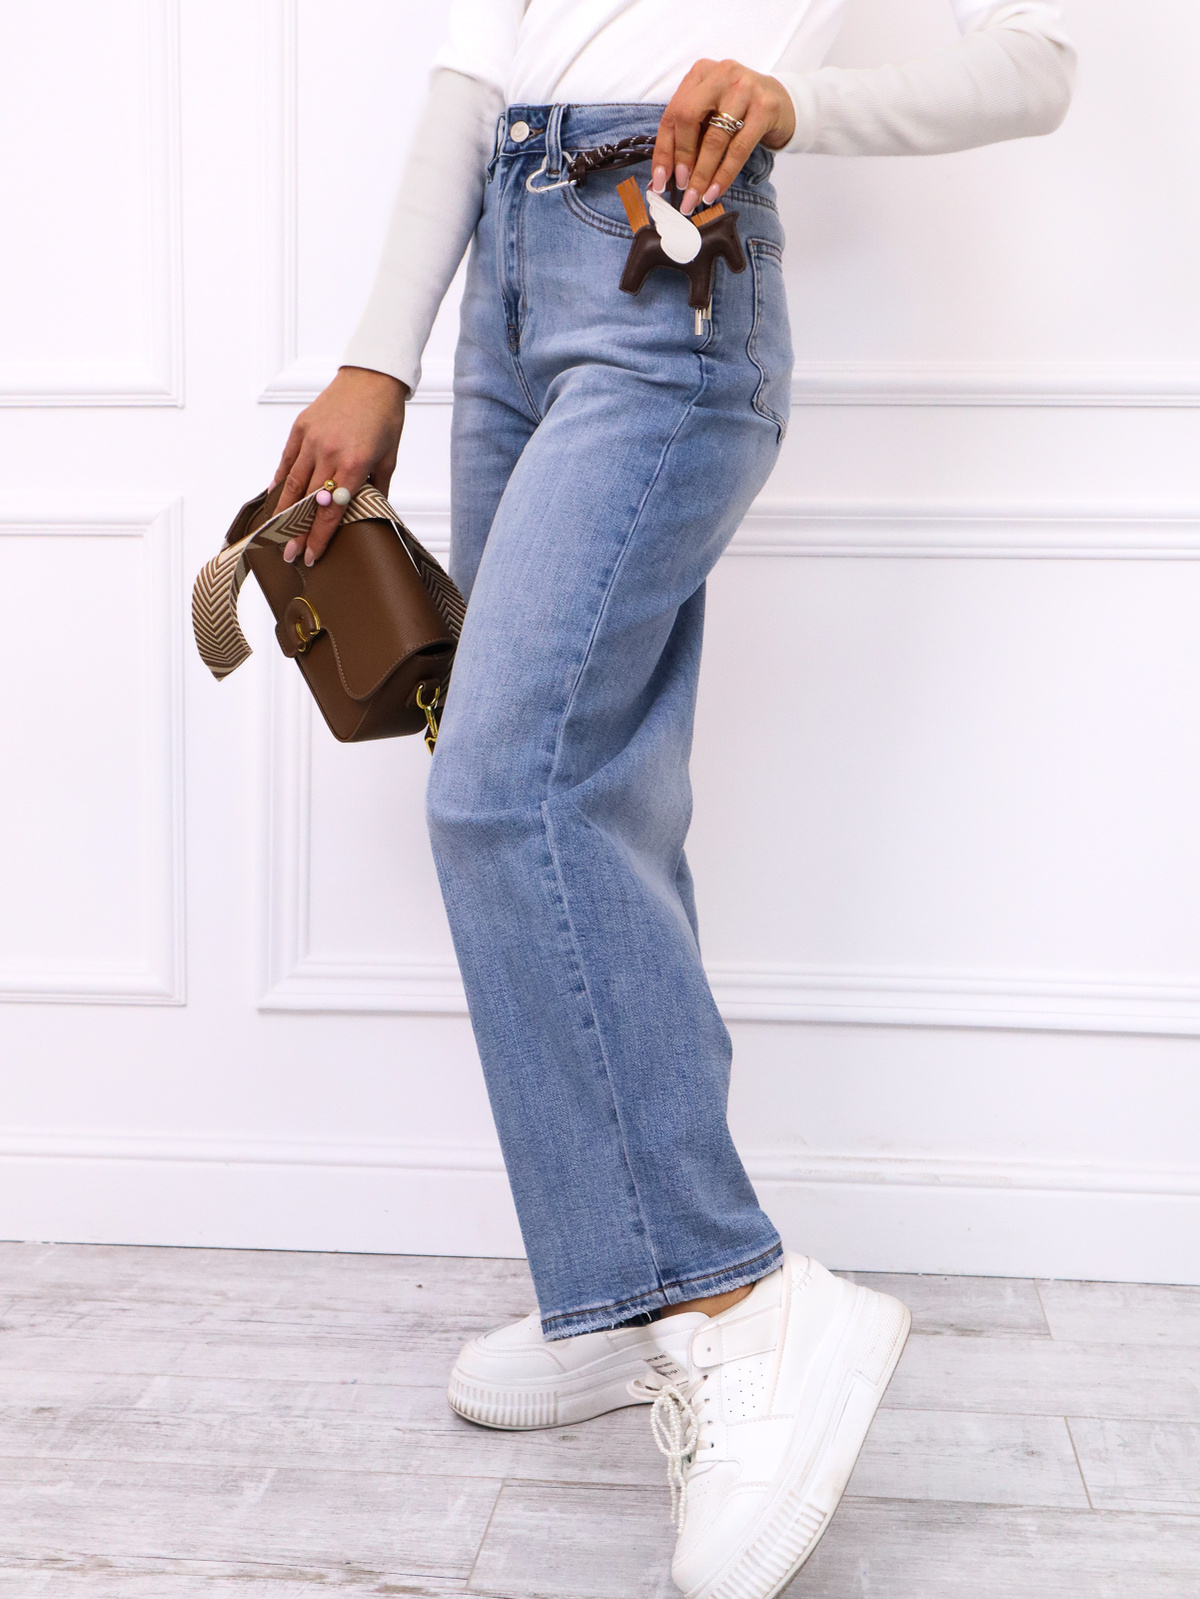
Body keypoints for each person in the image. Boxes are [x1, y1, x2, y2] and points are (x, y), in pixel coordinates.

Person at [271, 4, 1075, 1593]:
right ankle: (624, 1280)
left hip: (670, 270)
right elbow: (473, 67)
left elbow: (1037, 67)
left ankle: (737, 1300)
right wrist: (378, 353)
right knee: (588, 785)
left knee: (508, 789)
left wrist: (793, 101)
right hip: (508, 270)